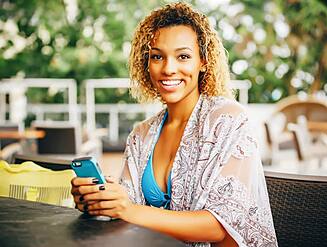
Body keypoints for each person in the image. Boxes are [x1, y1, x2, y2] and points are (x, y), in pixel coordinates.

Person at [71, 2, 277, 246]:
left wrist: (128, 210)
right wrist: (102, 201)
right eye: (157, 56)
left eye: (183, 56)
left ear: (203, 62)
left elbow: (219, 227)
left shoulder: (228, 120)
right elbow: (125, 206)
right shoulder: (142, 134)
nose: (168, 69)